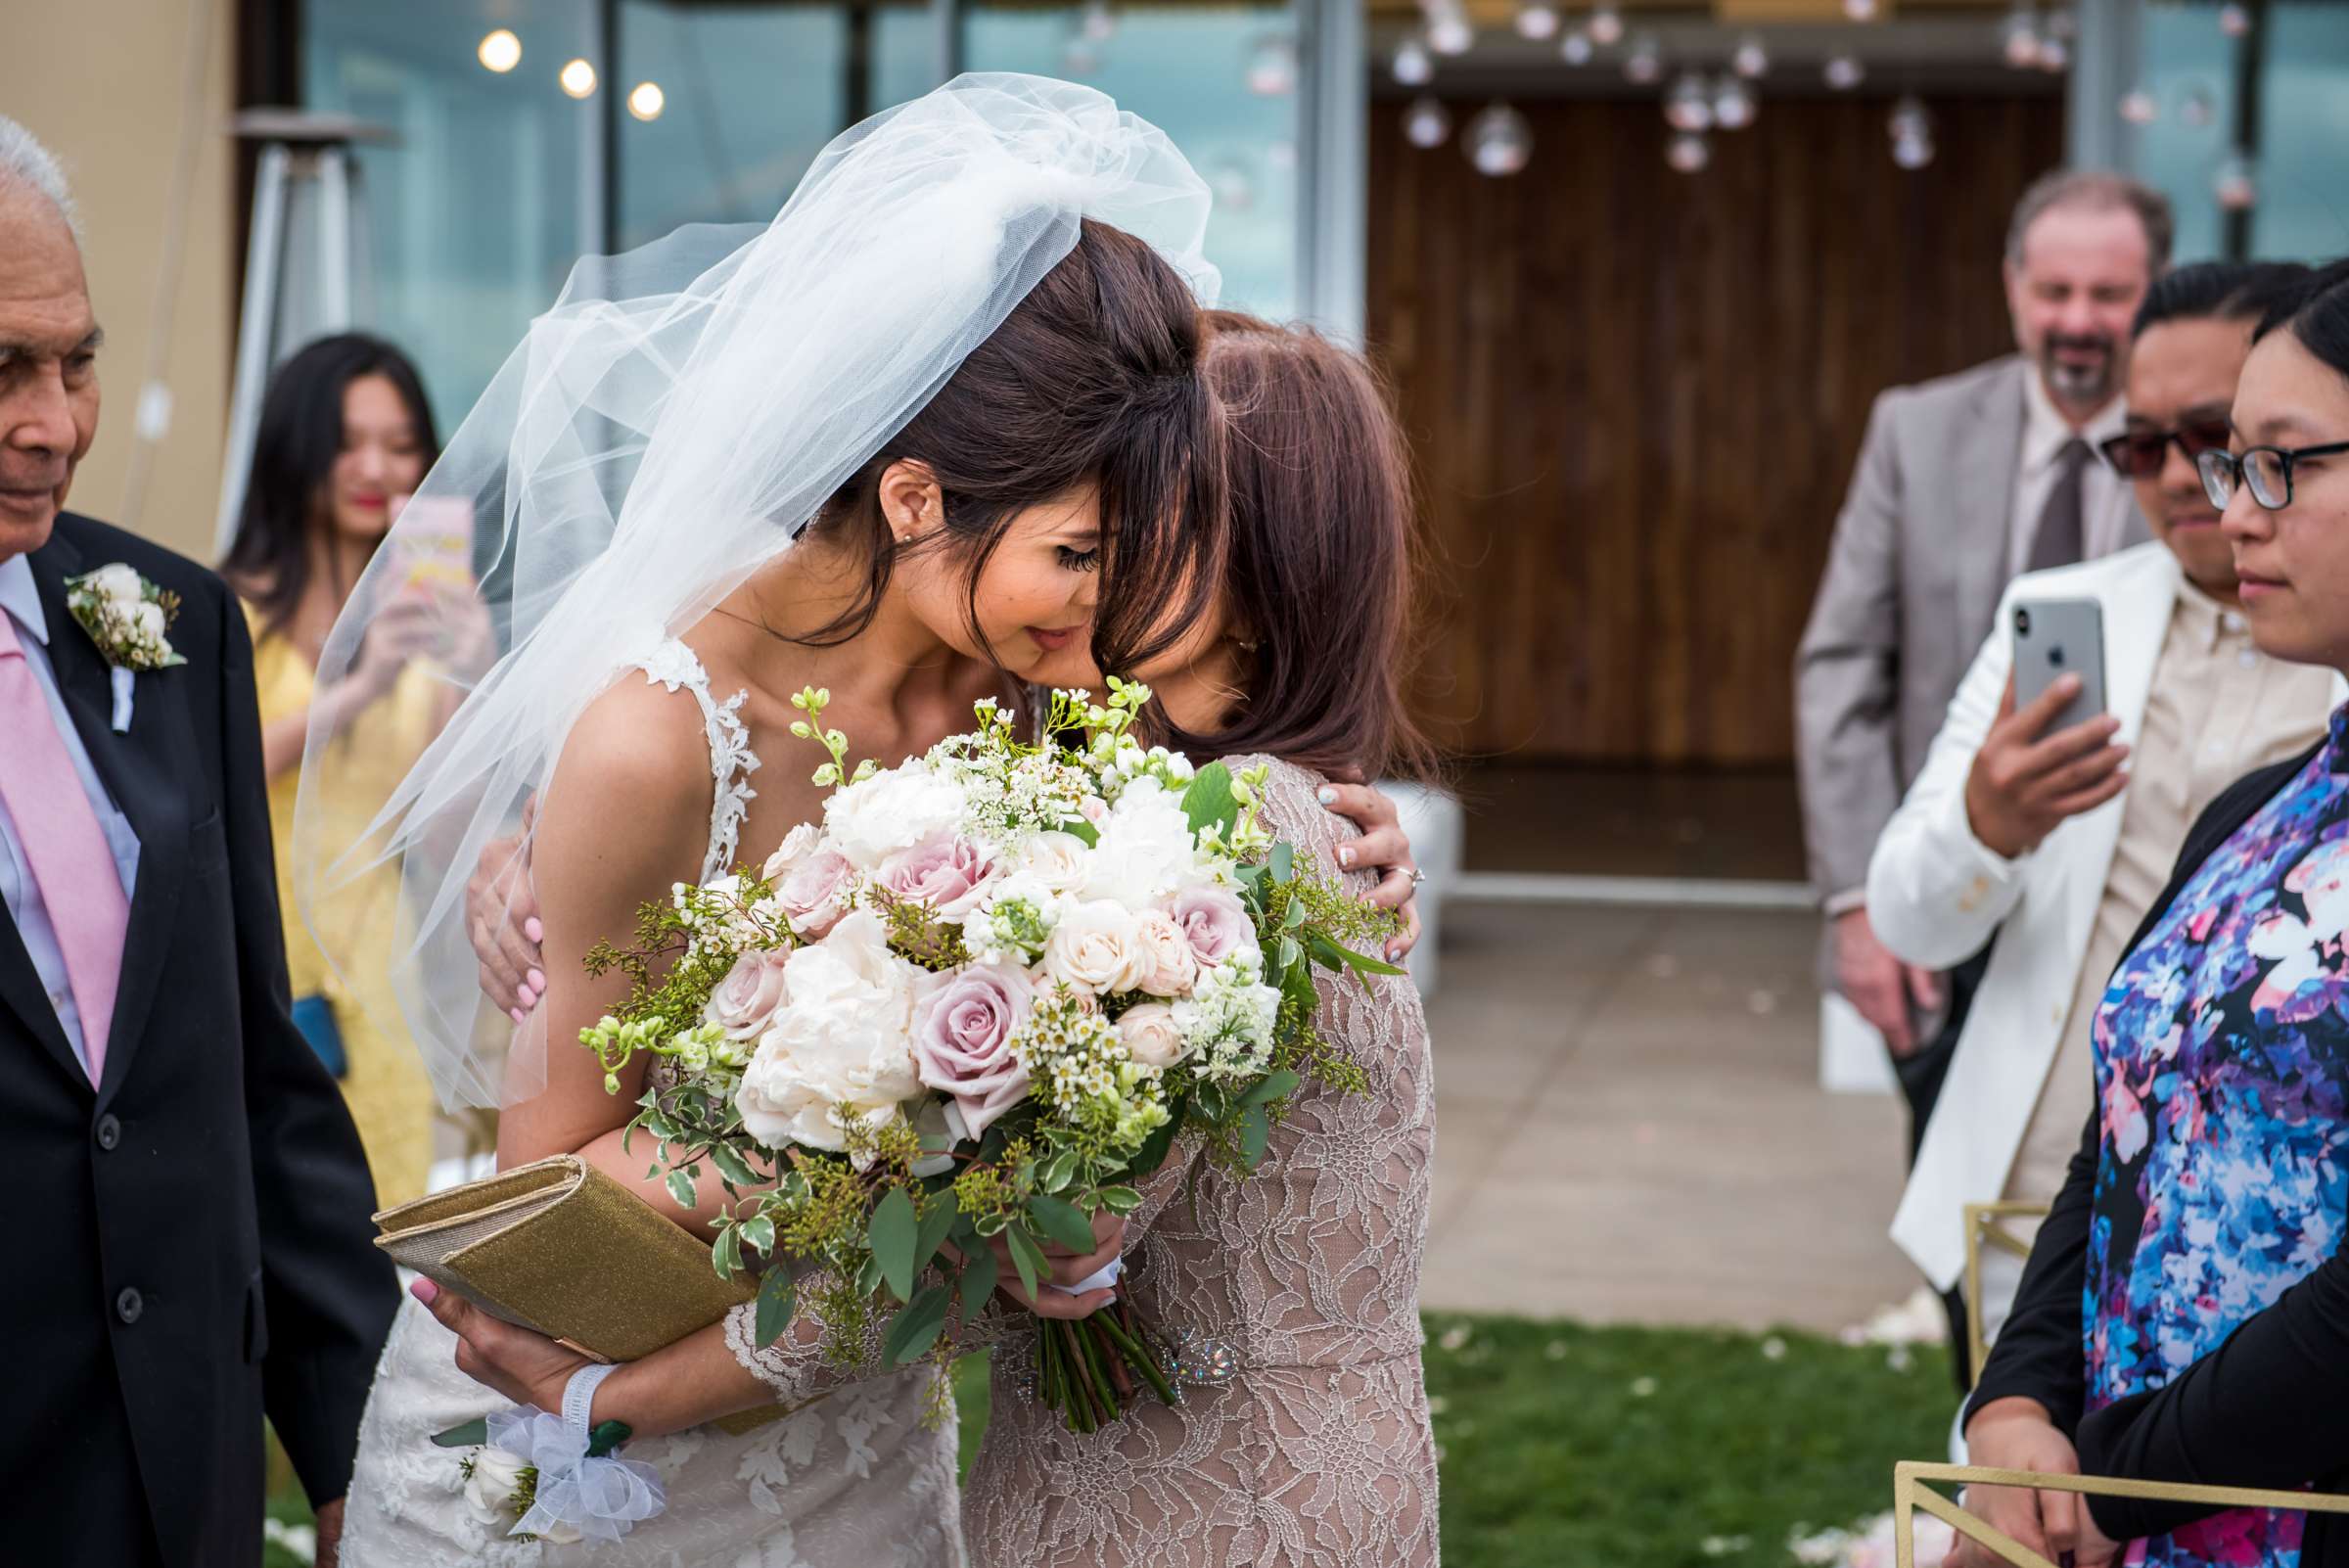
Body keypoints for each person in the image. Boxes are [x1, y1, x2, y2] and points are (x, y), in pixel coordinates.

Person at [318, 76, 1267, 1566]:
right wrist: (910, 1127)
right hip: (577, 1449)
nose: (1104, 621)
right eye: (1077, 553)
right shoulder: (653, 738)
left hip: (857, 1442)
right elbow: (554, 1206)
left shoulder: (1023, 706)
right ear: (909, 494)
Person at [421, 309, 1443, 1567]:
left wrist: (607, 1404)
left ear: (1267, 564)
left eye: (1140, 544)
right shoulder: (1058, 746)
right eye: (1088, 543)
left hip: (1201, 1504)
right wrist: (541, 855)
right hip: (1044, 1468)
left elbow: (981, 1239)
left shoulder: (1198, 822)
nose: (1104, 592)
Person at [0, 117, 395, 1567]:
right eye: (2, 371)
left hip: (184, 1469)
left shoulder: (171, 625)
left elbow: (249, 1056)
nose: (54, 422)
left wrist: (344, 1436)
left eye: (76, 360)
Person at [1958, 258, 2349, 1568]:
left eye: (2281, 463)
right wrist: (2015, 1404)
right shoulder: (2254, 813)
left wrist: (2099, 1491)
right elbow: (2118, 1138)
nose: (2232, 509)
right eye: (2233, 462)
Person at [1869, 262, 2334, 1360]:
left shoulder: (2333, 653)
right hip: (2032, 1204)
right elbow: (1909, 922)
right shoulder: (2066, 616)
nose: (2180, 476)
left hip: (2277, 1240)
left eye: (2215, 437)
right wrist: (1989, 825)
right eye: (2139, 445)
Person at [1797, 169, 2171, 1072]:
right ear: (2013, 287)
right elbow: (1842, 669)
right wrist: (1859, 905)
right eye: (2054, 291)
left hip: (2139, 919)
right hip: (1942, 914)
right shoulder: (1914, 431)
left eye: (2110, 294)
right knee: (1951, 1196)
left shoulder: (2206, 450)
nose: (2077, 319)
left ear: (2156, 291)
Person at [221, 332, 488, 1207]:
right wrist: (359, 687)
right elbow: (208, 780)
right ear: (298, 447)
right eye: (349, 439)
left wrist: (473, 672)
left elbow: (444, 840)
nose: (375, 465)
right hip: (250, 970)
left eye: (402, 443)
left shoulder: (423, 629)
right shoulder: (226, 609)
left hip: (377, 986)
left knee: (374, 1242)